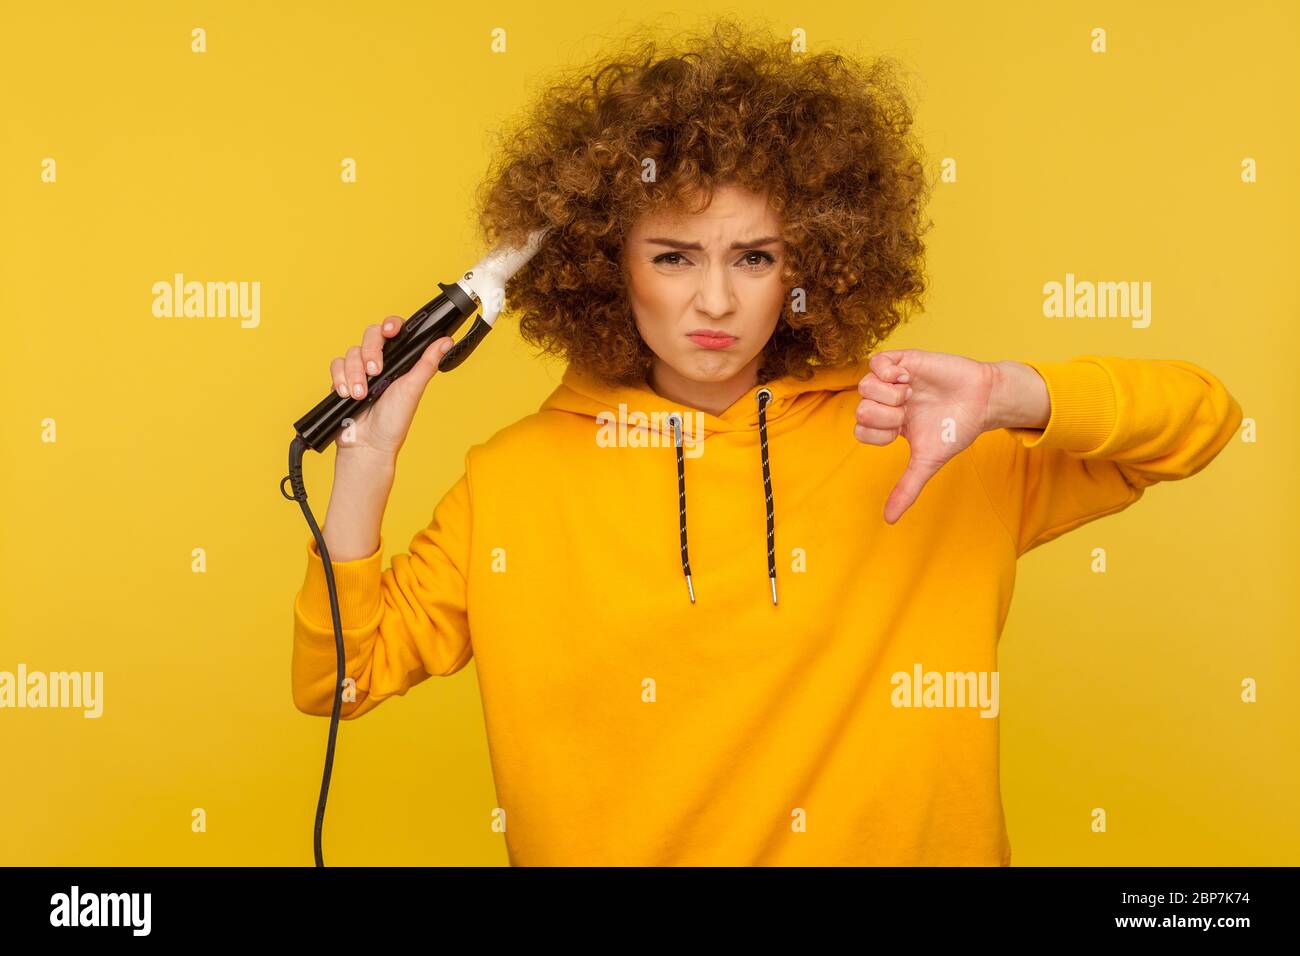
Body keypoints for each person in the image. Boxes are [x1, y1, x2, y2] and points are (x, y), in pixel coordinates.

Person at [290, 21, 1242, 865]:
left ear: (814, 261)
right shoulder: (512, 481)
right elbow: (339, 680)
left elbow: (1200, 421)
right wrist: (367, 459)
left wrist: (1008, 394)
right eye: (673, 257)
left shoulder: (922, 438)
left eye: (754, 257)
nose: (714, 302)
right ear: (605, 264)